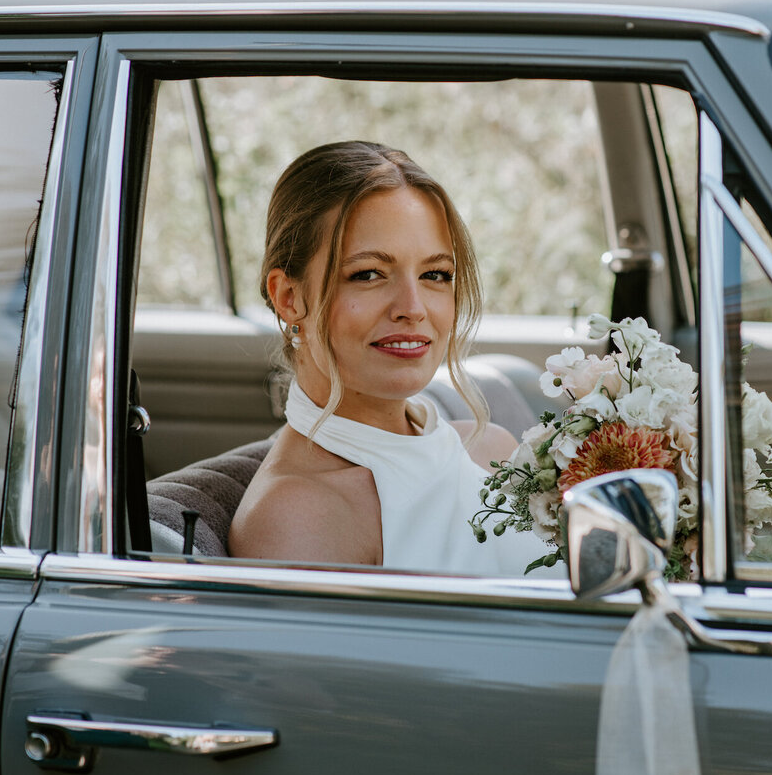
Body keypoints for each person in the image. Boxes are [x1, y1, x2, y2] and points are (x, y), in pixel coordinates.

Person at [230, 141, 554, 577]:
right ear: (288, 297)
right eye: (368, 274)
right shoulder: (296, 519)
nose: (413, 308)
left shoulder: (490, 449)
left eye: (435, 274)